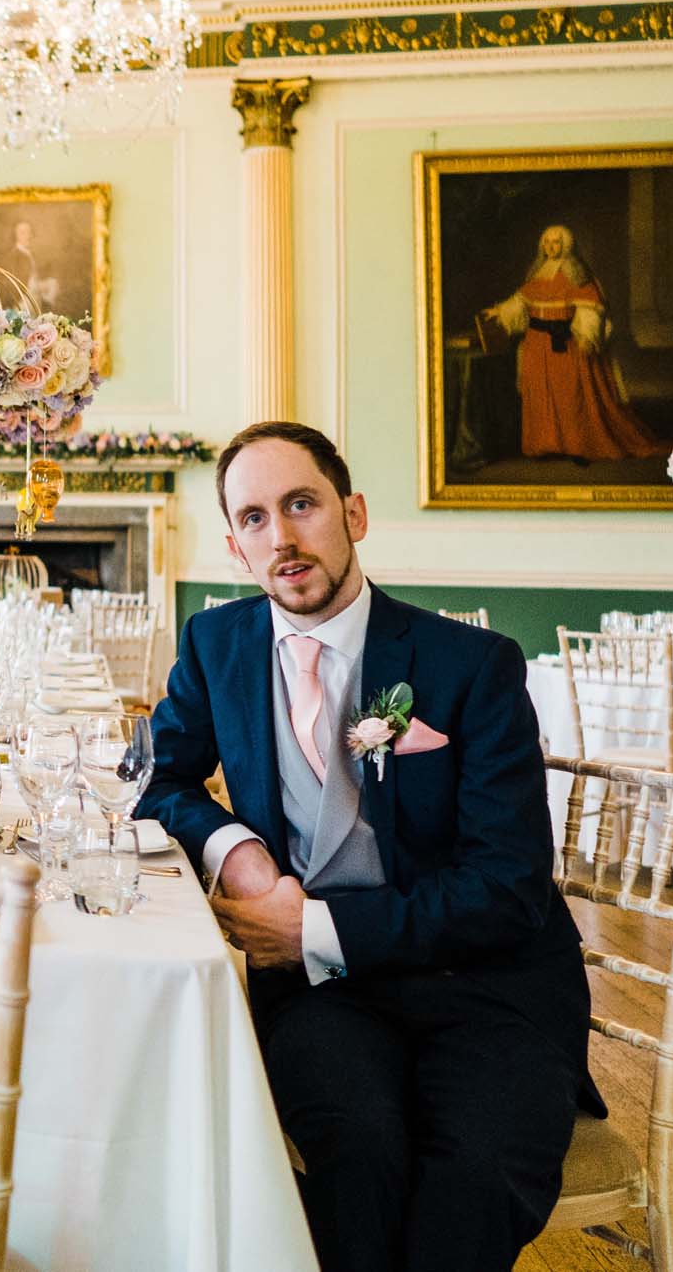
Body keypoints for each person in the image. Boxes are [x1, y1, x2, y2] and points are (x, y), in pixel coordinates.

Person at [136, 421, 596, 1272]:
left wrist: (307, 930)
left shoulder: (474, 664)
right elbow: (158, 781)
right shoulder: (216, 645)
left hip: (487, 987)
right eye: (255, 518)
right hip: (324, 999)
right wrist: (235, 846)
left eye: (301, 504)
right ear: (236, 548)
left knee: (474, 1179)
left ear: (353, 513)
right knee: (358, 1157)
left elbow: (508, 887)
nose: (283, 537)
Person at [482, 223, 663, 462]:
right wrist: (499, 311)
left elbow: (591, 311)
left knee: (570, 395)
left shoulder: (578, 275)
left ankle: (577, 445)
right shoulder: (537, 273)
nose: (550, 247)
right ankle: (546, 444)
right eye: (546, 242)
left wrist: (587, 336)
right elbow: (520, 302)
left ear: (566, 245)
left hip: (567, 345)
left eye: (556, 242)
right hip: (536, 344)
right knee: (541, 394)